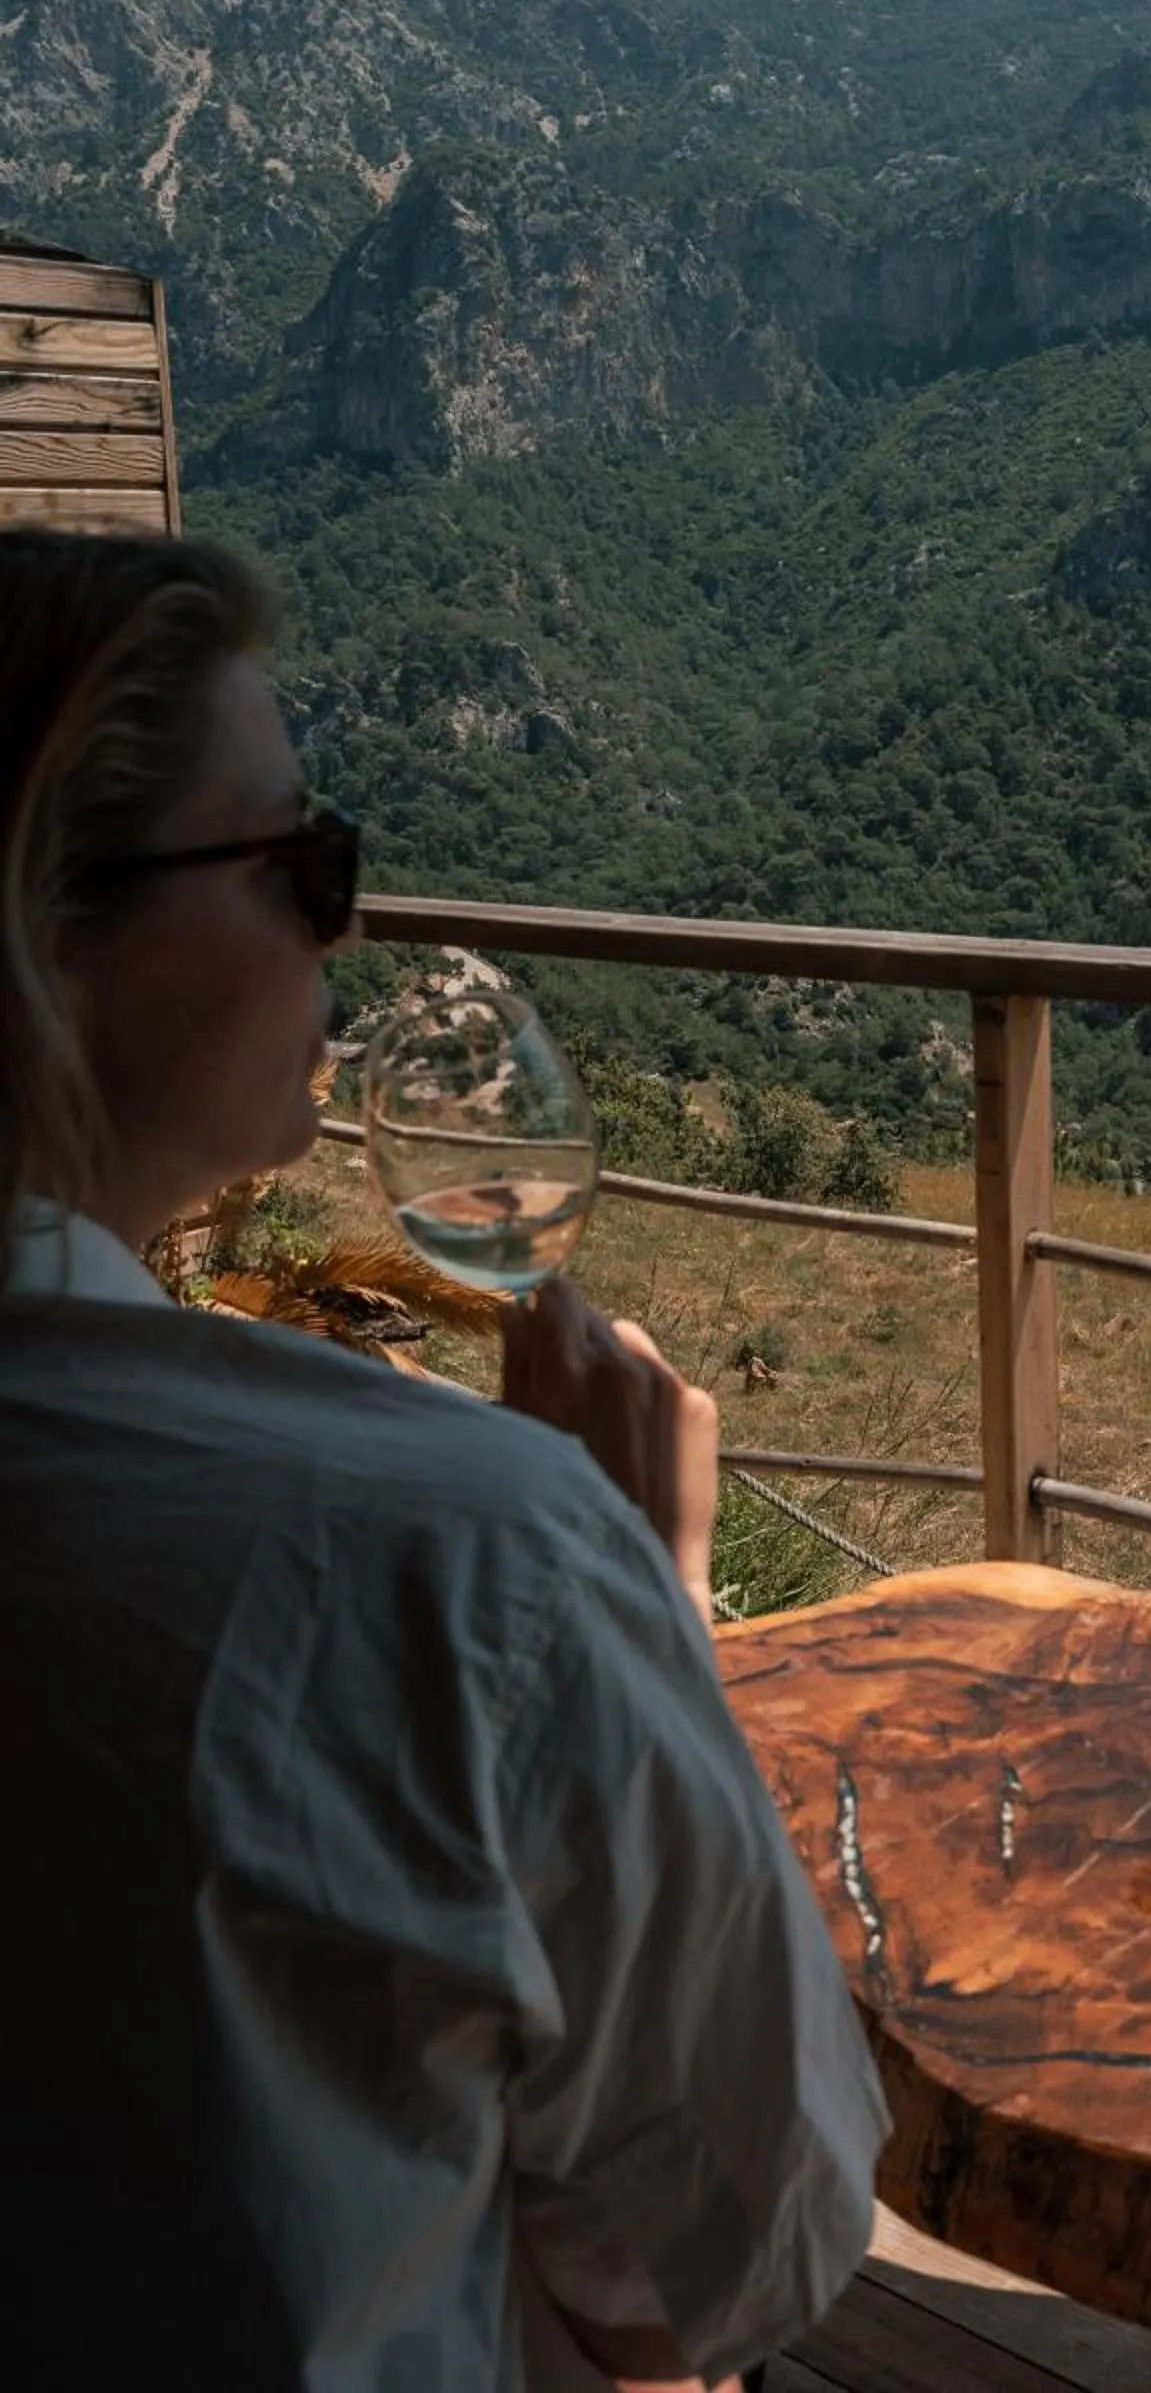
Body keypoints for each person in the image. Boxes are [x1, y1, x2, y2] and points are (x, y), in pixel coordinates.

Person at [0, 527, 888, 2391]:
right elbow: (724, 2258)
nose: (345, 919)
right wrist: (644, 1586)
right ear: (49, 933)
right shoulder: (467, 1560)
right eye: (301, 864)